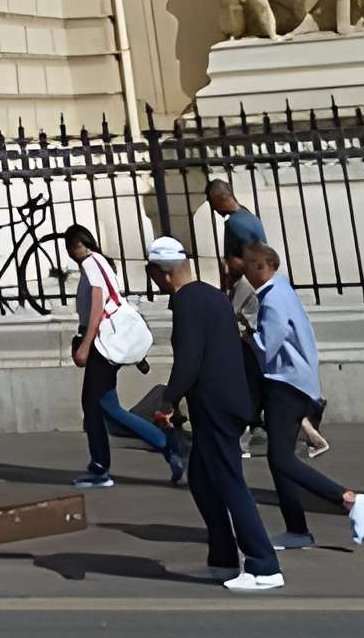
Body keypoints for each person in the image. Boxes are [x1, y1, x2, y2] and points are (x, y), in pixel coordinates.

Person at [139, 238, 281, 592]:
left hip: (215, 405)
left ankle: (264, 565)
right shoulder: (211, 294)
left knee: (230, 482)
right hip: (226, 401)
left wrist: (167, 400)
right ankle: (222, 560)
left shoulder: (186, 302)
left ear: (160, 275)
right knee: (203, 480)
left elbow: (189, 360)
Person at [236, 242, 364, 551]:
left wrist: (245, 337)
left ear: (261, 267)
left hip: (286, 384)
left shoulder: (272, 300)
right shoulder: (281, 290)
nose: (243, 271)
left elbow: (267, 347)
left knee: (281, 458)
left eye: (247, 265)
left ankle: (347, 499)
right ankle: (296, 529)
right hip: (294, 383)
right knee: (278, 459)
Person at [62, 225, 181, 490]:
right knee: (105, 407)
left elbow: (97, 305)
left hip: (101, 345)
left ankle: (102, 467)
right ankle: (160, 445)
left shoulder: (91, 263)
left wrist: (85, 344)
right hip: (105, 343)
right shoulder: (98, 261)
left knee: (96, 407)